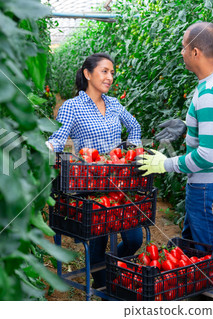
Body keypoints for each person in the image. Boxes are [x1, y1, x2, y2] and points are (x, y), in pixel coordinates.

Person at [137, 22, 213, 296]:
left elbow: (207, 155)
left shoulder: (209, 95)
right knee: (207, 255)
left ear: (195, 51)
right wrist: (189, 126)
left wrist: (165, 164)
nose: (181, 53)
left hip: (210, 188)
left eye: (184, 47)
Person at [47, 53, 143, 288]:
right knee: (97, 240)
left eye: (112, 72)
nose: (110, 77)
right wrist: (45, 149)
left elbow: (135, 126)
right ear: (88, 74)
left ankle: (112, 266)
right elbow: (59, 139)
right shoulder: (72, 107)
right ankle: (103, 286)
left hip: (120, 182)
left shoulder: (114, 104)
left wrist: (130, 151)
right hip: (91, 185)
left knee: (134, 238)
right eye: (104, 71)